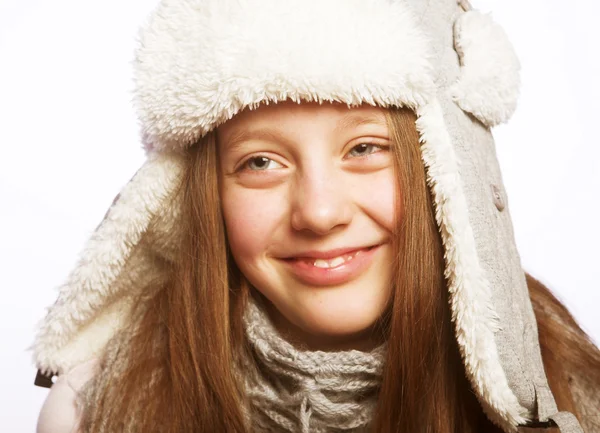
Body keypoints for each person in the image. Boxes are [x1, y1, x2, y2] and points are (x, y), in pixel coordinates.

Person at [33, 0, 600, 432]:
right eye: (261, 161)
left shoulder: (573, 389)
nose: (319, 212)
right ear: (199, 196)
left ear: (449, 166)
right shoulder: (92, 406)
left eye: (365, 148)